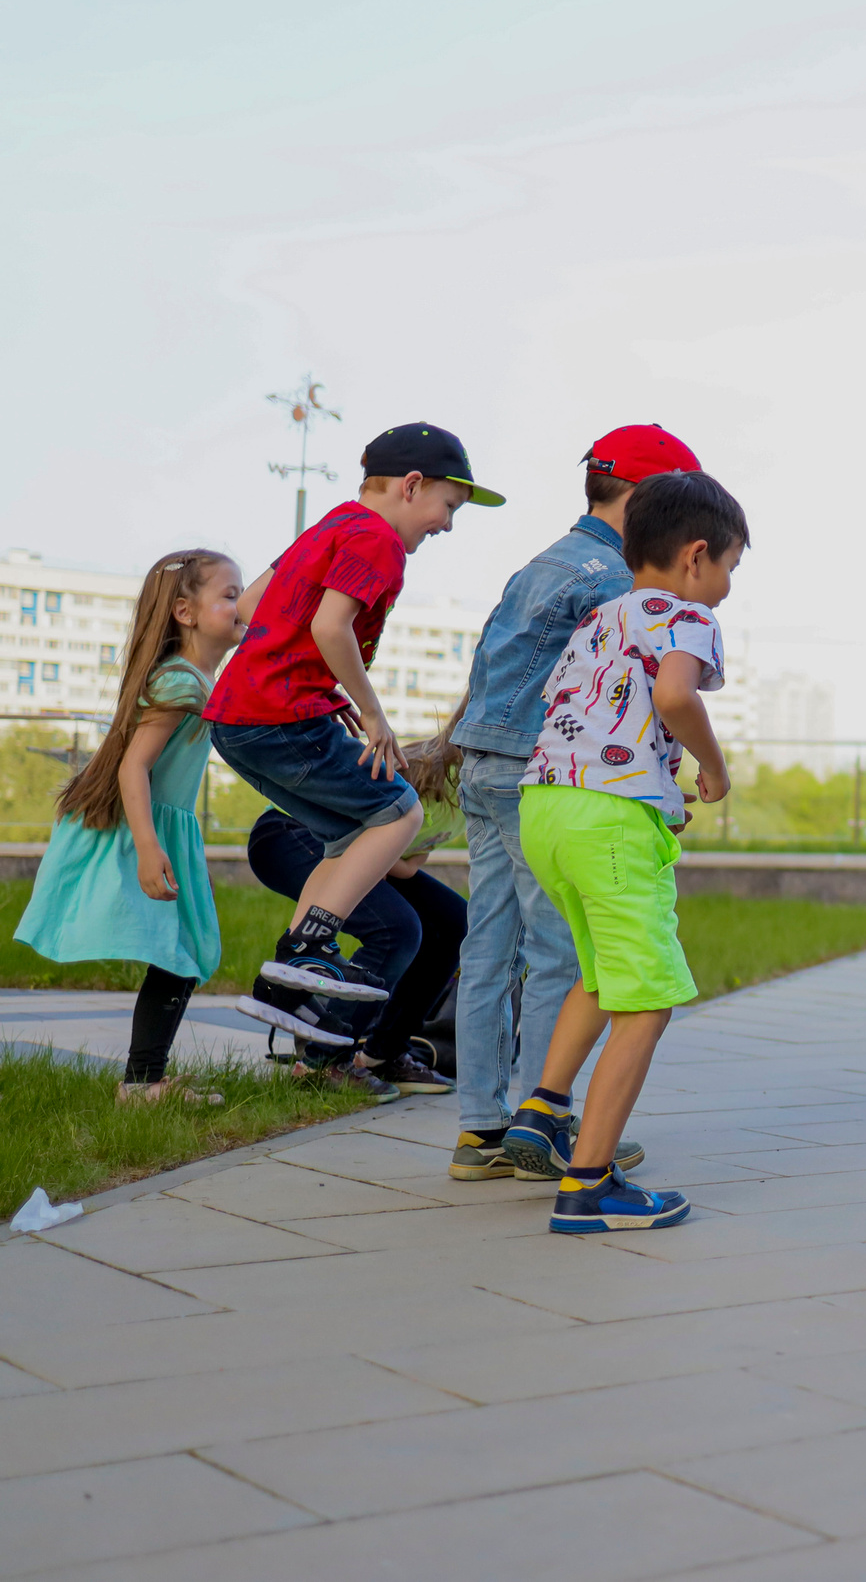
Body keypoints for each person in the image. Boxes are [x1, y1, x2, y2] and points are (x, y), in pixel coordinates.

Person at [446, 424, 701, 1182]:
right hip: (551, 775)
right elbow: (639, 690)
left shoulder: (541, 564)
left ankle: (478, 1127)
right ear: (653, 500)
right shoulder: (615, 579)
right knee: (561, 950)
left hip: (483, 762)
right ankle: (543, 1120)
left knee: (486, 946)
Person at [500, 470, 745, 1232]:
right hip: (607, 821)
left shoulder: (601, 617)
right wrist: (711, 765)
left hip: (545, 807)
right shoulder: (688, 615)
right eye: (732, 567)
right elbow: (675, 696)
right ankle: (590, 1182)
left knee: (601, 974)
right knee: (648, 1000)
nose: (728, 585)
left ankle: (543, 1110)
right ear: (696, 557)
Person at [205, 424, 501, 1035]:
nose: (446, 525)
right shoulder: (379, 540)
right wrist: (371, 711)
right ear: (412, 486)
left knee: (346, 833)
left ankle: (283, 982)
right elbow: (331, 627)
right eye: (448, 507)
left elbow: (253, 607)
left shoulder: (332, 525)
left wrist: (319, 682)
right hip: (280, 714)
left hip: (237, 721)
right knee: (399, 812)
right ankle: (308, 949)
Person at [12, 550, 242, 1104]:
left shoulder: (197, 677)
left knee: (182, 951)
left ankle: (144, 1079)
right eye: (229, 595)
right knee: (179, 952)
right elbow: (132, 765)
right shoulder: (181, 682)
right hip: (146, 826)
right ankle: (142, 1082)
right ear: (186, 612)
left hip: (169, 828)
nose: (242, 606)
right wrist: (148, 846)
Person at [241, 807, 463, 1102]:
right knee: (396, 929)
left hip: (372, 849)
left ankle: (383, 1054)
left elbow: (408, 866)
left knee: (451, 922)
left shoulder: (490, 797)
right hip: (297, 831)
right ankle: (322, 1063)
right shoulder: (437, 766)